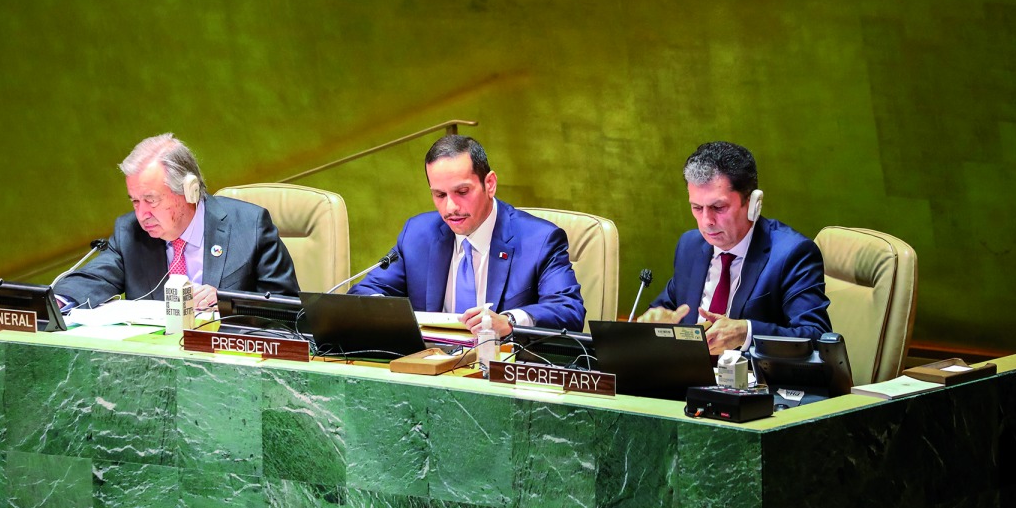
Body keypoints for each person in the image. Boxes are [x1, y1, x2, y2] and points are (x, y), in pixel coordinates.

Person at [350, 135, 585, 335]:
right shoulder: (418, 235)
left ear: (490, 184)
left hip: (500, 373)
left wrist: (509, 322)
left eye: (462, 192)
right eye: (440, 195)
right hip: (431, 368)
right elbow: (362, 294)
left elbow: (568, 310)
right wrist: (388, 311)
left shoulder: (540, 240)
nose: (450, 207)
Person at [56, 133, 299, 310]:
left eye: (150, 200)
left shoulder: (250, 227)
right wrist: (58, 302)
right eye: (135, 201)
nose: (142, 215)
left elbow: (287, 308)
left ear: (189, 190)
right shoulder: (130, 232)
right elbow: (93, 280)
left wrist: (228, 304)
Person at [638, 141, 831, 355]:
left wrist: (746, 333)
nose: (706, 221)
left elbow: (816, 336)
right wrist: (654, 321)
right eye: (696, 208)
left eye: (718, 207)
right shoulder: (690, 246)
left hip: (756, 382)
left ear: (753, 203)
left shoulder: (792, 254)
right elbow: (667, 310)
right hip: (688, 380)